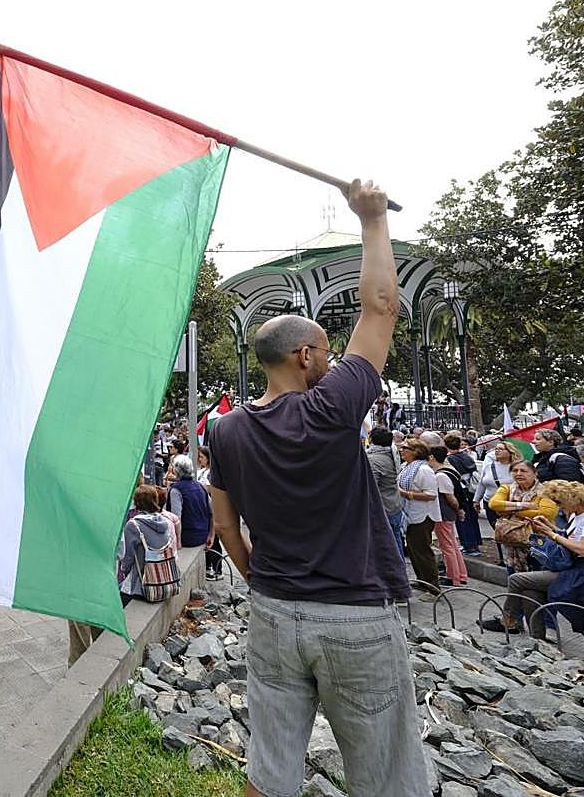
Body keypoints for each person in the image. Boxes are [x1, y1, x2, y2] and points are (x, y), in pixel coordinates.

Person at [208, 180, 425, 797]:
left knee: (269, 770)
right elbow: (381, 307)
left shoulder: (225, 431)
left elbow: (226, 528)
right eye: (328, 352)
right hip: (355, 614)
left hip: (274, 613)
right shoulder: (332, 409)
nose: (334, 362)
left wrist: (261, 582)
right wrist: (374, 219)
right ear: (305, 356)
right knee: (385, 778)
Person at [480, 480, 584, 644]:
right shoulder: (577, 516)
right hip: (572, 566)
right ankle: (537, 639)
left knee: (517, 579)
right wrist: (550, 528)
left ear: (573, 502)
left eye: (560, 503)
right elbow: (571, 537)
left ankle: (508, 619)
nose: (559, 507)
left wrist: (552, 535)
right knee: (530, 591)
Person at [488, 458, 557, 576]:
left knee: (535, 575)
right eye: (515, 470)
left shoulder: (546, 491)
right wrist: (523, 505)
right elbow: (494, 504)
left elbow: (547, 513)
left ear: (535, 473)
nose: (518, 473)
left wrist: (512, 511)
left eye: (523, 471)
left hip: (538, 540)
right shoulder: (506, 489)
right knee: (513, 575)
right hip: (511, 541)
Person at [117, 484, 178, 603]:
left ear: (136, 502)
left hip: (143, 585)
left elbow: (127, 559)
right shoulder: (165, 522)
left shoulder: (134, 525)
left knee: (117, 596)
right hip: (166, 580)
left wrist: (123, 572)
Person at [398, 439, 441, 597]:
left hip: (423, 515)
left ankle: (433, 587)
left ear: (416, 451)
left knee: (422, 550)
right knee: (413, 549)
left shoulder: (424, 470)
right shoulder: (405, 467)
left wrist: (406, 494)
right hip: (409, 513)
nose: (402, 450)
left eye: (405, 448)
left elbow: (430, 494)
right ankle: (422, 580)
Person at [165, 455, 217, 578]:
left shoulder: (176, 490)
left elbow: (176, 519)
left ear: (175, 471)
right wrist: (211, 535)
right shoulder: (200, 487)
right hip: (202, 535)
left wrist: (177, 543)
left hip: (187, 538)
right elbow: (213, 512)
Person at [428, 446, 469, 587]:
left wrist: (458, 510)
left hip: (443, 514)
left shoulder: (440, 475)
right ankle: (460, 575)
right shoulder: (449, 471)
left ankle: (454, 577)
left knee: (447, 546)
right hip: (447, 514)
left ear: (432, 457)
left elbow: (450, 498)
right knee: (453, 545)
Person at [474, 440, 518, 565]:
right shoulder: (489, 466)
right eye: (496, 449)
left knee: (509, 532)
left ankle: (513, 557)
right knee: (497, 531)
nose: (497, 451)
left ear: (510, 452)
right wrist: (476, 500)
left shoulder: (516, 467)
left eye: (501, 449)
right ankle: (503, 558)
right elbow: (482, 484)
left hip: (509, 505)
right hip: (490, 503)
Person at [366, 427, 405, 556]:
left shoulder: (373, 460)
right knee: (395, 540)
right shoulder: (393, 454)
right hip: (394, 504)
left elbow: (370, 487)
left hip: (383, 508)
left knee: (387, 545)